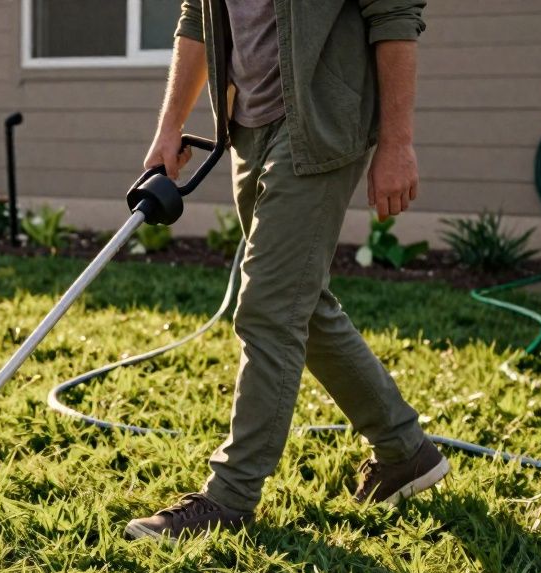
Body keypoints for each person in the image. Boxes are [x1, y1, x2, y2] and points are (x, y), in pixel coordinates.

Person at [125, 0, 450, 540]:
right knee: (301, 299)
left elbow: (394, 14)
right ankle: (405, 452)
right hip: (246, 129)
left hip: (321, 125)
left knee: (270, 308)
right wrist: (169, 127)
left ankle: (230, 498)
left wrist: (397, 142)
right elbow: (198, 20)